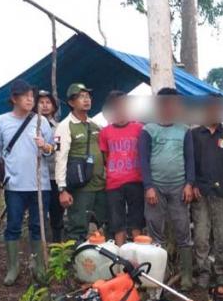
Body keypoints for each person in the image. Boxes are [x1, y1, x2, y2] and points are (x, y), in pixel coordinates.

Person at [0, 80, 54, 286]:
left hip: (40, 184)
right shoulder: (1, 121)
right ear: (14, 99)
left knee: (37, 226)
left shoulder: (41, 122)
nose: (30, 99)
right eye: (25, 96)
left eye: (31, 96)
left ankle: (39, 266)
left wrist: (45, 146)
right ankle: (13, 268)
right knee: (13, 225)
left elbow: (53, 151)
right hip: (14, 184)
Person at [139, 87, 195, 290]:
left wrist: (189, 184)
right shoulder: (148, 130)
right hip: (155, 189)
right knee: (156, 233)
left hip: (179, 188)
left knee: (183, 231)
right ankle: (158, 276)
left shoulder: (184, 130)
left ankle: (187, 277)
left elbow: (190, 160)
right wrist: (148, 186)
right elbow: (143, 160)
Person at [191, 96, 223, 287]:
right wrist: (193, 184)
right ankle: (203, 272)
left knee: (221, 235)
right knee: (201, 235)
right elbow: (190, 162)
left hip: (221, 192)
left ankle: (221, 272)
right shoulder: (195, 134)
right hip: (200, 192)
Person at [54, 83, 107, 242]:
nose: (86, 100)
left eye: (88, 96)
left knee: (105, 226)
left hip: (101, 185)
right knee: (77, 229)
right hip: (81, 187)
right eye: (81, 97)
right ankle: (74, 257)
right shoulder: (65, 126)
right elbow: (60, 157)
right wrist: (62, 189)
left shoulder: (96, 125)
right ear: (71, 102)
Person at [98, 91, 145, 246]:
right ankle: (119, 255)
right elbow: (105, 156)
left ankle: (138, 253)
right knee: (117, 222)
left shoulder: (139, 128)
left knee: (136, 221)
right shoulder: (105, 132)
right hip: (114, 183)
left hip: (136, 180)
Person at [35, 90, 64, 242]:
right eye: (41, 102)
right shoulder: (30, 126)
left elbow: (59, 150)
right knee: (37, 214)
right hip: (35, 178)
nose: (45, 106)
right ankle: (40, 245)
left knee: (56, 213)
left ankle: (57, 245)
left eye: (48, 102)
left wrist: (47, 147)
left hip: (53, 175)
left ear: (54, 106)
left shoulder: (59, 127)